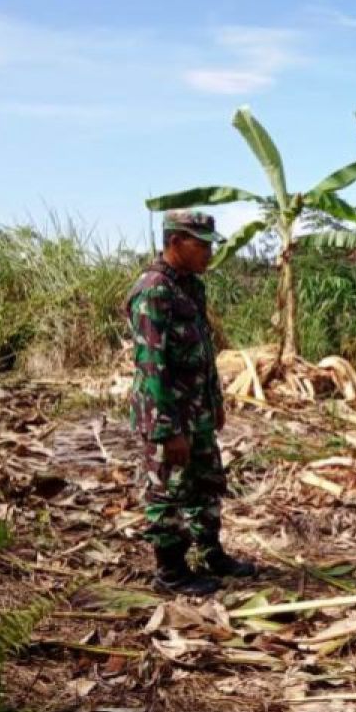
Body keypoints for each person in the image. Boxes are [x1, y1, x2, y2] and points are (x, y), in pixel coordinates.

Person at [124, 209, 255, 595]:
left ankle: (211, 554)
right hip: (168, 415)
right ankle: (171, 572)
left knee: (206, 481)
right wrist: (168, 430)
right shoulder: (154, 291)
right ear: (174, 242)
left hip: (196, 410)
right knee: (168, 491)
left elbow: (203, 352)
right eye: (201, 246)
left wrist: (215, 401)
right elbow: (153, 367)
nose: (208, 255)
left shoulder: (190, 288)